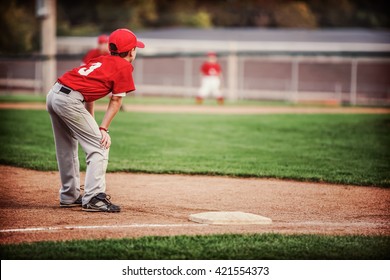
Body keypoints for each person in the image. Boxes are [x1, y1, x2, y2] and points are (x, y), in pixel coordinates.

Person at [46, 28, 145, 212]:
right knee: (100, 145)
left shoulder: (101, 60)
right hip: (69, 101)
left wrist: (92, 125)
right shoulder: (124, 67)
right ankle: (93, 198)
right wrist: (103, 129)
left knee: (66, 148)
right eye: (135, 48)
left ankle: (69, 196)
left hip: (54, 94)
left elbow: (88, 95)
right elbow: (116, 100)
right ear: (131, 51)